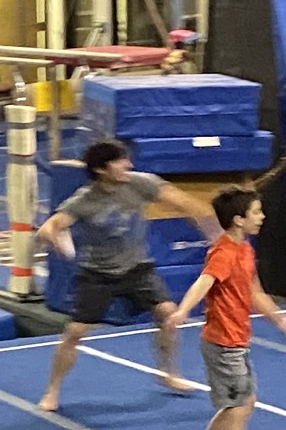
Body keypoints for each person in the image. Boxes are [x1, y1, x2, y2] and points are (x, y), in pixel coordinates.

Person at [37, 140, 211, 416]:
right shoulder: (84, 200)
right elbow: (50, 227)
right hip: (98, 273)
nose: (128, 165)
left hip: (137, 268)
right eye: (120, 161)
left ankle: (168, 373)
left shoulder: (141, 183)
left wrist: (211, 230)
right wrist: (56, 240)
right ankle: (52, 390)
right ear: (102, 170)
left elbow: (187, 203)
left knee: (168, 315)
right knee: (75, 332)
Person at [169, 185, 286, 430]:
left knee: (242, 405)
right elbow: (204, 282)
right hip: (223, 344)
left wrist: (280, 319)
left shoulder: (245, 250)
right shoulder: (224, 252)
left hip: (237, 340)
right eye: (257, 211)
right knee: (237, 408)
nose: (262, 216)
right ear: (239, 220)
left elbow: (255, 292)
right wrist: (183, 310)